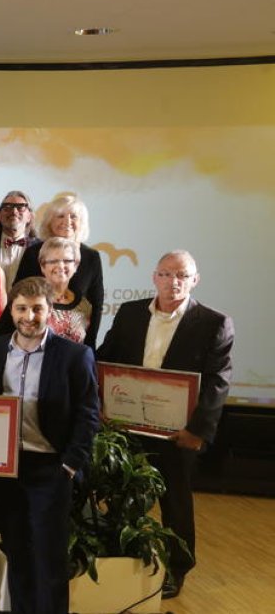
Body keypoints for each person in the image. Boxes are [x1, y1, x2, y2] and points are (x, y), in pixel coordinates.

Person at [96, 250, 234, 599]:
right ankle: (122, 559)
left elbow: (218, 382)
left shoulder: (214, 322)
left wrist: (198, 431)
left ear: (195, 280)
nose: (174, 282)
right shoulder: (129, 313)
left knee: (176, 503)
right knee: (122, 494)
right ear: (154, 277)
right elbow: (105, 359)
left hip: (179, 433)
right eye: (166, 274)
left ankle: (176, 569)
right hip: (127, 427)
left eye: (182, 275)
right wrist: (101, 404)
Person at [0, 277, 100, 614]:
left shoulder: (74, 356)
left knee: (49, 556)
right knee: (17, 549)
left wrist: (69, 465)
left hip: (50, 468)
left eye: (37, 309)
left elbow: (88, 414)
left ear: (50, 310)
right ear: (12, 309)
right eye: (22, 308)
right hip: (6, 469)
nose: (29, 316)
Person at [14, 193, 104, 345]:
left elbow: (96, 304)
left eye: (73, 216)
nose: (67, 221)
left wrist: (90, 344)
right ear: (50, 221)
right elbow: (17, 294)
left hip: (76, 344)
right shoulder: (33, 253)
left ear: (81, 222)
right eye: (60, 216)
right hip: (31, 341)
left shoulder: (91, 257)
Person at [1, 237, 92, 345]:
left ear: (76, 265)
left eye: (67, 261)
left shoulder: (85, 305)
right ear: (43, 266)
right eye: (53, 261)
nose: (60, 266)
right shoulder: (24, 298)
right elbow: (3, 337)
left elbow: (87, 344)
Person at [0, 191, 38, 286]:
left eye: (21, 207)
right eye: (7, 207)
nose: (14, 211)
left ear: (29, 216)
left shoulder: (40, 248)